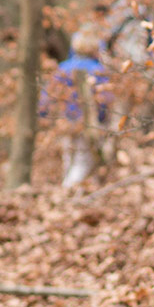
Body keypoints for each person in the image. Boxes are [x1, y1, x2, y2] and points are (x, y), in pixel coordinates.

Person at [41, 29, 111, 188]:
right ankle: (69, 191)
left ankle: (68, 191)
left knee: (69, 158)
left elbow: (47, 95)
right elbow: (105, 99)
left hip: (65, 121)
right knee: (82, 161)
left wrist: (44, 115)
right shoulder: (98, 70)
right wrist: (101, 119)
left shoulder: (63, 68)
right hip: (86, 121)